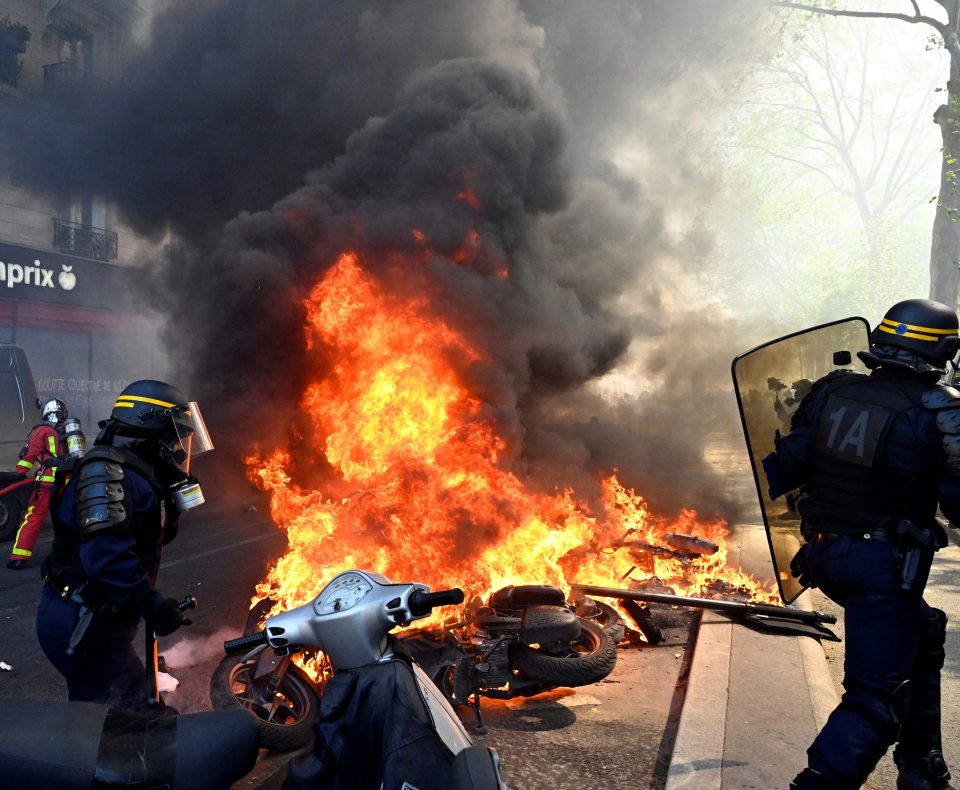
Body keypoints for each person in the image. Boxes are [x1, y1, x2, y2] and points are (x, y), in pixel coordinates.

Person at [763, 299, 960, 790]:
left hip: (823, 556)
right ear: (944, 349)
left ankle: (922, 767)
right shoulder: (938, 413)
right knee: (876, 699)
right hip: (881, 569)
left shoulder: (834, 393)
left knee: (924, 631)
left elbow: (779, 470)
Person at [36, 380, 213, 711]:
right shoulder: (107, 473)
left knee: (94, 717)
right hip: (78, 620)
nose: (179, 447)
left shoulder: (135, 473)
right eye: (175, 436)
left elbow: (146, 539)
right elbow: (107, 560)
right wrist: (155, 608)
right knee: (140, 719)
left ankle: (88, 760)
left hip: (94, 619)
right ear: (151, 428)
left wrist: (172, 503)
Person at [8, 399, 69, 570]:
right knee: (67, 519)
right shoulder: (71, 431)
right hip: (68, 483)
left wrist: (18, 474)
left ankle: (19, 557)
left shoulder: (41, 430)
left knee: (33, 518)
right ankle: (70, 555)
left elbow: (30, 455)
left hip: (47, 484)